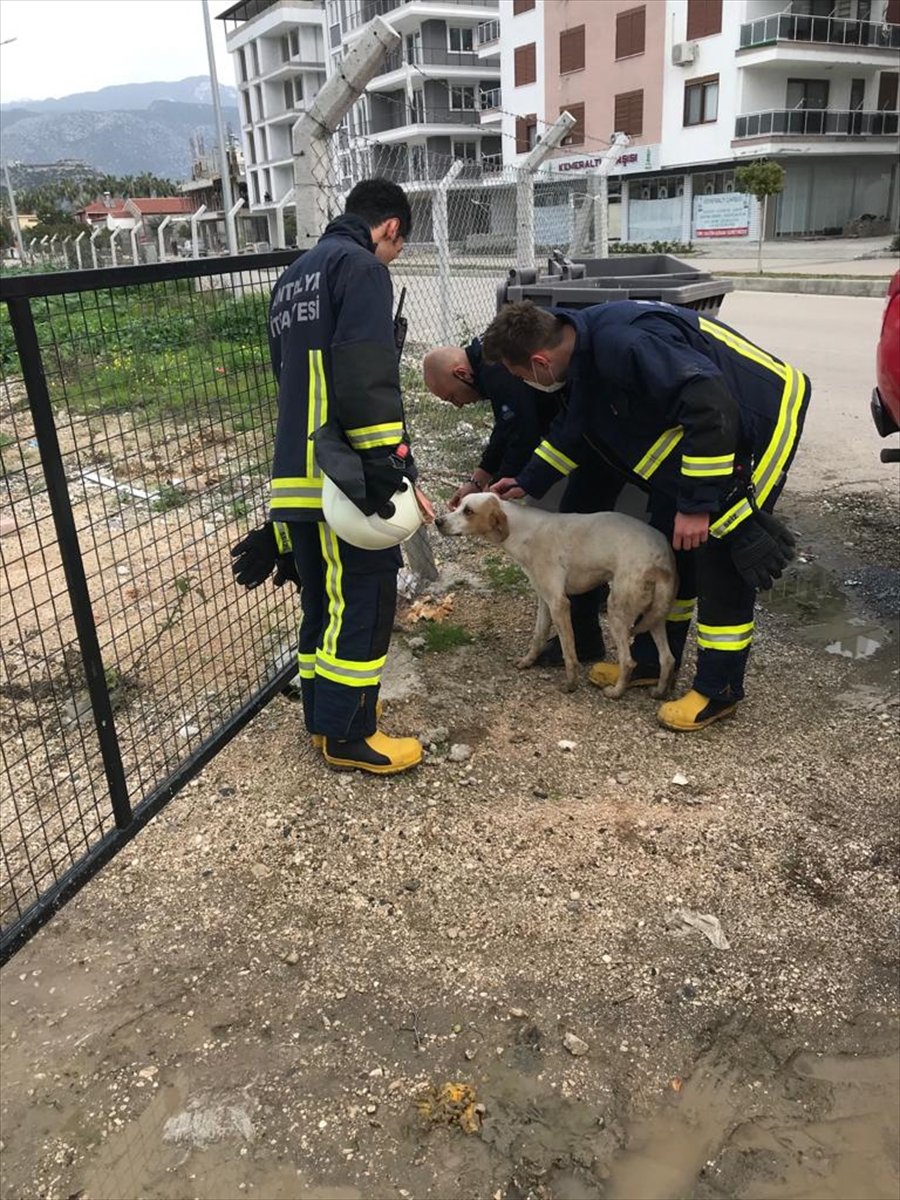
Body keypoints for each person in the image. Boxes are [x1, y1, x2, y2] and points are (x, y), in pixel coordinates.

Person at [481, 299, 807, 732]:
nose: (523, 384)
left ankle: (719, 690)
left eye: (520, 375)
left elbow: (709, 406)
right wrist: (527, 480)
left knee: (721, 552)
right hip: (708, 430)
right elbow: (577, 427)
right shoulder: (583, 352)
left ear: (540, 362)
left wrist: (697, 506)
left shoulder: (626, 345)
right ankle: (653, 662)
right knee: (671, 544)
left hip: (759, 417)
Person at [266, 178, 422, 774]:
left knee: (323, 602)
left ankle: (323, 720)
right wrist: (389, 470)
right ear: (390, 228)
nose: (393, 258)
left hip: (297, 472)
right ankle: (350, 735)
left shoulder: (293, 277)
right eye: (398, 247)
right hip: (343, 475)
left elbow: (291, 376)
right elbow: (365, 375)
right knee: (364, 598)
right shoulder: (361, 268)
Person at [422, 339, 626, 663]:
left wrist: (497, 496)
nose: (458, 405)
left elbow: (524, 435)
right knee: (578, 517)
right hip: (583, 435)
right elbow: (506, 429)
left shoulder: (496, 370)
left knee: (577, 519)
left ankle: (584, 638)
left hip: (595, 441)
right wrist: (477, 480)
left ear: (461, 373)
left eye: (451, 397)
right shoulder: (489, 369)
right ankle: (594, 592)